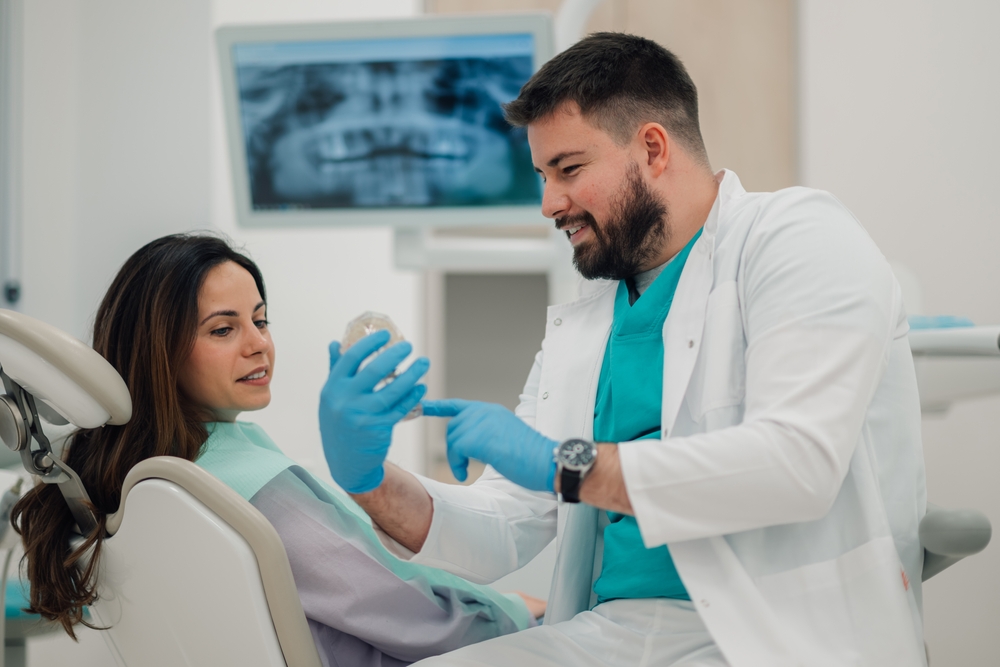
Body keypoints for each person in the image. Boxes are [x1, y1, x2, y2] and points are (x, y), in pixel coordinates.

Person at [319, 33, 927, 666]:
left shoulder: (796, 238)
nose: (550, 203)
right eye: (543, 176)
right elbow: (508, 518)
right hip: (618, 631)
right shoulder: (586, 326)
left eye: (569, 169)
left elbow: (795, 464)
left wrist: (567, 464)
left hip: (781, 632)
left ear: (653, 148)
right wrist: (366, 478)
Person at [12, 234, 539, 666]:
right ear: (159, 351)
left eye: (260, 320)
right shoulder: (247, 487)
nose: (257, 343)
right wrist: (516, 612)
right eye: (223, 328)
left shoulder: (112, 483)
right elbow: (405, 611)